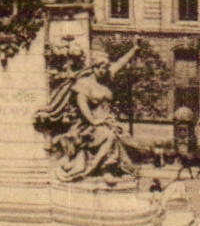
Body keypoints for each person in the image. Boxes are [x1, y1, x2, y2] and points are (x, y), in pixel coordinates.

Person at [33, 48, 142, 181]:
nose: (104, 71)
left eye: (106, 68)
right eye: (101, 68)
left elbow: (120, 64)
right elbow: (82, 105)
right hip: (87, 125)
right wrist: (94, 121)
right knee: (109, 136)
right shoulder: (83, 83)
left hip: (107, 122)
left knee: (127, 140)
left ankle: (116, 168)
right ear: (93, 67)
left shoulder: (105, 79)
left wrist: (134, 50)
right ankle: (106, 169)